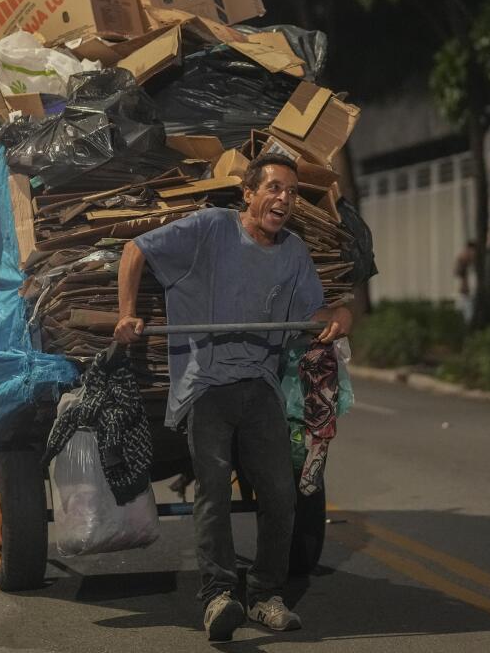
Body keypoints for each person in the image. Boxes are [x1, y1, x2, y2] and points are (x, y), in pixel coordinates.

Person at [114, 152, 352, 643]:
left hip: (259, 387)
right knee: (215, 490)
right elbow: (135, 249)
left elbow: (319, 309)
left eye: (290, 191)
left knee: (282, 495)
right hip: (206, 385)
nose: (283, 199)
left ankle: (265, 595)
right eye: (274, 188)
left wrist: (340, 317)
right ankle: (218, 595)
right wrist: (126, 312)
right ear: (249, 193)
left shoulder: (293, 253)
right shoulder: (210, 229)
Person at [454, 241, 478, 324]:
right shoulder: (464, 262)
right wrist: (462, 261)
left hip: (475, 294)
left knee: (470, 318)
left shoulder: (478, 263)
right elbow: (457, 273)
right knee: (461, 315)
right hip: (465, 293)